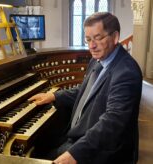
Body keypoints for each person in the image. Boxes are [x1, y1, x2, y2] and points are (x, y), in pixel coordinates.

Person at [28, 12, 142, 164]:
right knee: (37, 148)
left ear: (115, 37)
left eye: (98, 38)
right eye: (88, 39)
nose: (91, 46)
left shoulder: (126, 72)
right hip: (78, 135)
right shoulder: (97, 60)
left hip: (102, 151)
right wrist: (55, 96)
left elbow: (113, 122)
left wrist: (75, 154)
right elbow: (86, 91)